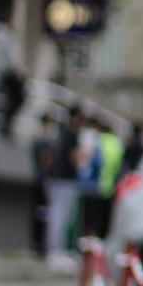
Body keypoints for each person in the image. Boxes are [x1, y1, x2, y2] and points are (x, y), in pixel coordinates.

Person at [43, 111, 82, 270]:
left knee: (56, 215)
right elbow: (74, 157)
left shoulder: (59, 133)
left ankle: (56, 251)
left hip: (56, 179)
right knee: (61, 217)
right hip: (65, 179)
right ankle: (56, 252)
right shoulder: (71, 135)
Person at [29, 113, 60, 256]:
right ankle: (38, 244)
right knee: (41, 213)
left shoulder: (41, 141)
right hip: (42, 183)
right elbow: (45, 162)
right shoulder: (42, 142)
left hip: (41, 182)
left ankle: (39, 243)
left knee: (42, 213)